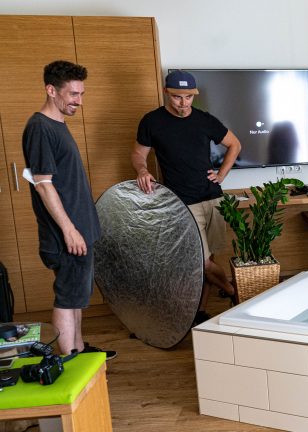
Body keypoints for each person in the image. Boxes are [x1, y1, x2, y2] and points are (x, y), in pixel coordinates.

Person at [132, 70, 242, 325]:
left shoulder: (204, 120)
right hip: (182, 203)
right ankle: (233, 292)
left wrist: (222, 174)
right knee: (200, 262)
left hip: (212, 198)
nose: (183, 103)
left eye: (188, 97)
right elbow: (138, 154)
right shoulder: (152, 121)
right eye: (177, 97)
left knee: (209, 259)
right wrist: (142, 170)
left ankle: (200, 312)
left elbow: (235, 144)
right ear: (166, 93)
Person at [22, 60, 115, 359]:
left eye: (81, 94)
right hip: (66, 234)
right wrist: (69, 230)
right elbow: (43, 184)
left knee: (76, 297)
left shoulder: (58, 125)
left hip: (80, 229)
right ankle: (70, 361)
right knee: (67, 298)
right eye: (73, 94)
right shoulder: (40, 128)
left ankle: (79, 350)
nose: (79, 101)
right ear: (51, 90)